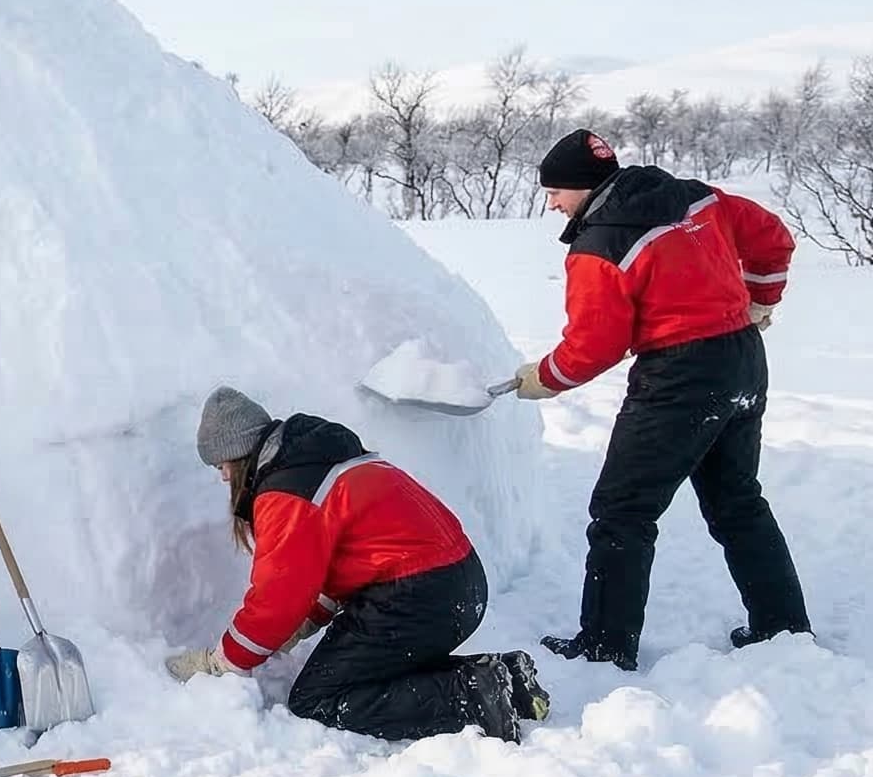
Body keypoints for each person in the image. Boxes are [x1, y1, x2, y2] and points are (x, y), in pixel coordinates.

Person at [515, 128, 808, 671]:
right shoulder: (695, 196)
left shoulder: (600, 245)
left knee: (622, 511)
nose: (551, 201)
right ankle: (783, 626)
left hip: (679, 379)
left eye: (555, 190)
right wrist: (759, 301)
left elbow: (595, 344)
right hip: (741, 359)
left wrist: (545, 378)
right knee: (738, 501)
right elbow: (772, 236)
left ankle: (605, 647)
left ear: (584, 186)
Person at [168, 388, 545, 742]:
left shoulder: (287, 491)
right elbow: (347, 560)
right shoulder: (325, 460)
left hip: (417, 595)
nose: (222, 476)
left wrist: (222, 661)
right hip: (458, 582)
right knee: (371, 672)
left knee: (319, 698)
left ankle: (473, 695)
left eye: (222, 463)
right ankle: (505, 677)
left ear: (241, 453)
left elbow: (277, 595)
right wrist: (307, 621)